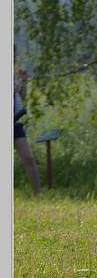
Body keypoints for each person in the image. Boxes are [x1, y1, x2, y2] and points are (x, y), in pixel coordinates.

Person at [13, 51, 42, 197]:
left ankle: (38, 195)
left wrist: (24, 82)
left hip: (14, 121)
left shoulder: (12, 74)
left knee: (29, 158)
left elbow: (21, 97)